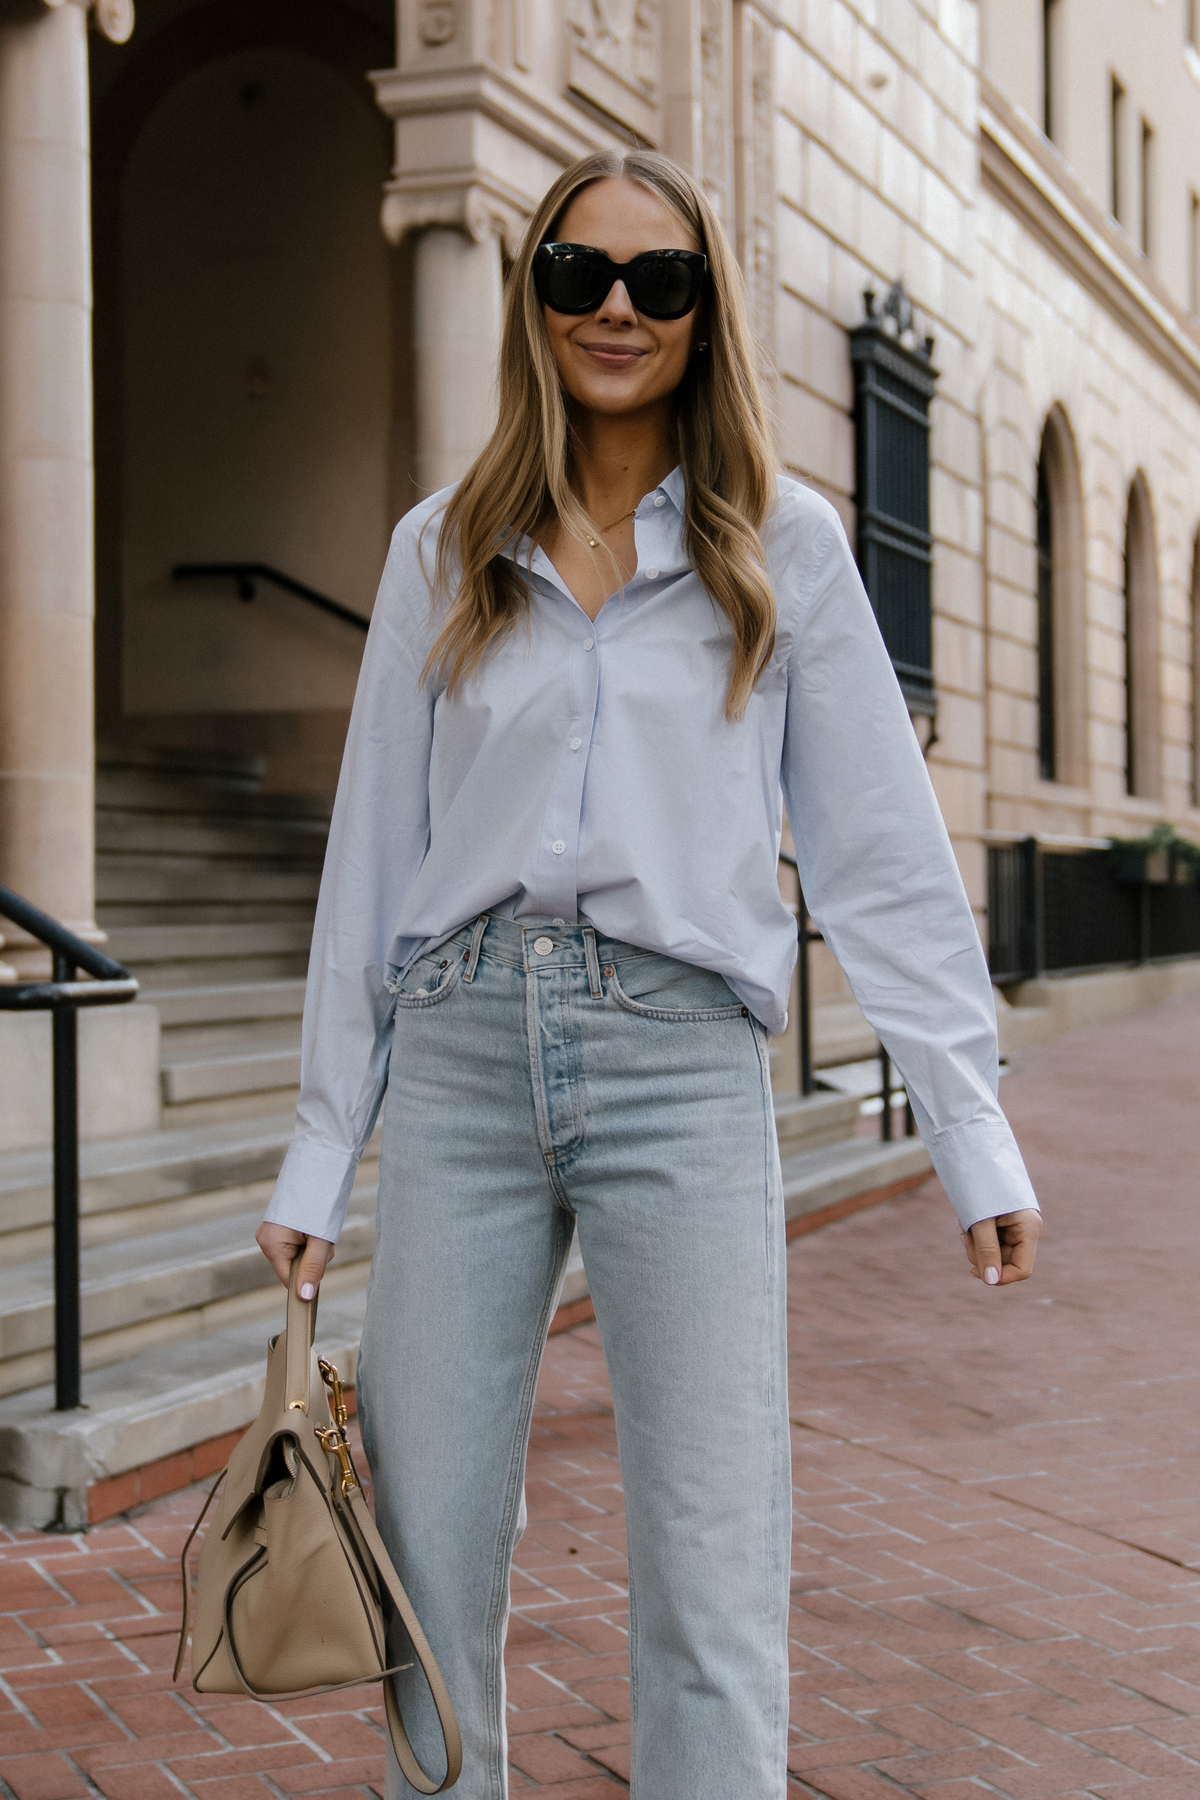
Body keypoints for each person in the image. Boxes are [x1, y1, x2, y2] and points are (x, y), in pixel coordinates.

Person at [256, 148, 1041, 1800]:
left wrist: (967, 1124)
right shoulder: (438, 550)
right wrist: (324, 1144)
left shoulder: (787, 549)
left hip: (679, 1063)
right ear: (533, 295)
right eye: (580, 273)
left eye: (659, 279)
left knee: (710, 1557)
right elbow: (373, 863)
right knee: (428, 1552)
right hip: (463, 1055)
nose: (617, 308)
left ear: (705, 310)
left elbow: (881, 852)